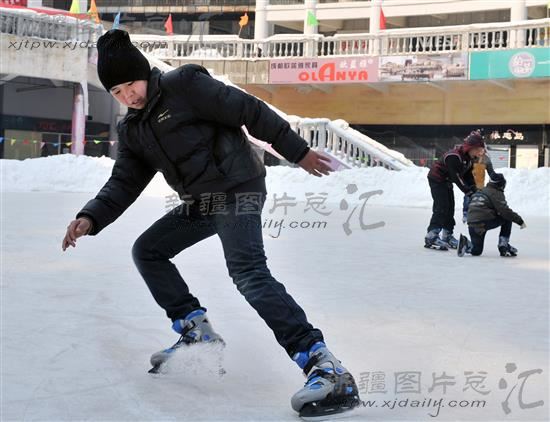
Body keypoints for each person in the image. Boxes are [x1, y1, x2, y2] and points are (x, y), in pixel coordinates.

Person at [61, 29, 360, 418]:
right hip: (204, 201)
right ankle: (195, 330)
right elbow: (125, 181)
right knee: (148, 251)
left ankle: (324, 364)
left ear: (144, 73)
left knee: (248, 272)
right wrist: (91, 215)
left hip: (239, 188)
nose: (128, 95)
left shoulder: (184, 85)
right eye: (116, 92)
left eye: (130, 84)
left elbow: (249, 110)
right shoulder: (132, 130)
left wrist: (296, 150)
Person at [424, 130, 486, 250]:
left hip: (446, 181)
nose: (480, 153)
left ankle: (447, 235)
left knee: (450, 207)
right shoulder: (454, 157)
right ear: (470, 148)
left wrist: (474, 189)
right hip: (437, 179)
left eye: (481, 150)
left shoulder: (469, 158)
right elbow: (456, 177)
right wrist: (468, 192)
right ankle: (431, 235)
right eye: (478, 150)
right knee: (442, 206)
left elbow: (467, 175)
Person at [457, 173, 526, 257]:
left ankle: (466, 243)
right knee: (507, 218)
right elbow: (505, 212)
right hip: (483, 221)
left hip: (472, 223)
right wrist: (520, 221)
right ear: (501, 184)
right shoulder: (496, 192)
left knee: (476, 251)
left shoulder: (480, 190)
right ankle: (503, 245)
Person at [462, 149, 496, 223]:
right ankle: (465, 213)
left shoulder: (486, 159)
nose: (480, 151)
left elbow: (491, 172)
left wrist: (495, 179)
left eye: (482, 150)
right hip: (469, 182)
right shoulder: (472, 156)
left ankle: (477, 214)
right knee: (468, 197)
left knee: (478, 199)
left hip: (480, 183)